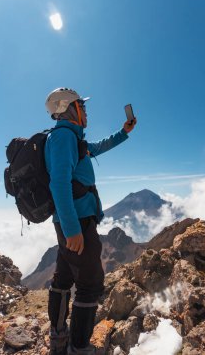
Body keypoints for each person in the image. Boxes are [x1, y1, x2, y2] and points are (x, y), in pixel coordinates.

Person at [44, 88, 137, 355]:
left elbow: (98, 147)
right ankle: (80, 348)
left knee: (62, 279)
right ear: (68, 108)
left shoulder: (73, 139)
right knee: (90, 284)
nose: (86, 111)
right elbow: (59, 183)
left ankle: (59, 340)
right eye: (81, 106)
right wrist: (73, 230)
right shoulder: (63, 137)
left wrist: (123, 132)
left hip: (70, 220)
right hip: (77, 222)